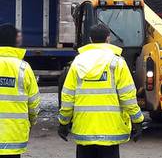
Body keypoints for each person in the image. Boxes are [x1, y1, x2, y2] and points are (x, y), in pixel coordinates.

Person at [58, 24, 144, 158]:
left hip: (84, 130)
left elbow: (68, 97)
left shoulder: (78, 62)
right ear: (108, 39)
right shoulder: (117, 63)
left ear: (91, 40)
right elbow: (128, 97)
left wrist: (63, 122)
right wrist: (137, 120)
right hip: (110, 132)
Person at [0, 24, 40, 157]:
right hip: (14, 136)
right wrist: (31, 122)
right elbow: (34, 103)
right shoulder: (23, 68)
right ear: (14, 41)